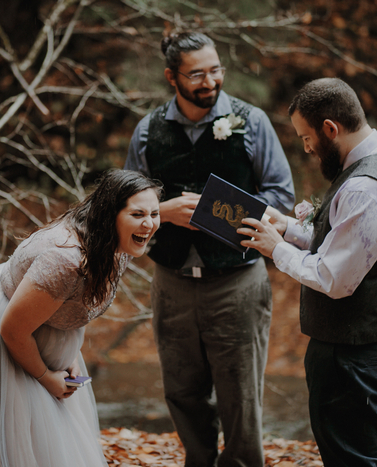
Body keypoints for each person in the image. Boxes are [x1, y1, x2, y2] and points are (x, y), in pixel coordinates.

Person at [124, 32, 295, 466]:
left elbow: (282, 196)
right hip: (172, 282)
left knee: (241, 394)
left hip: (237, 282)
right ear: (171, 77)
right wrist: (161, 212)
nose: (210, 81)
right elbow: (125, 207)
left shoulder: (252, 122)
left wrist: (228, 212)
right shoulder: (147, 132)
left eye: (215, 70)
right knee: (181, 391)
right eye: (197, 73)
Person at [0, 169, 162, 467]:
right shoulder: (66, 260)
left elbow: (71, 304)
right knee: (13, 443)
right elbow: (11, 331)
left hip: (41, 328)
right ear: (110, 214)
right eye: (138, 213)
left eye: (154, 213)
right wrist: (47, 378)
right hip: (6, 331)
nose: (149, 223)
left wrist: (69, 356)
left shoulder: (115, 243)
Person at [239, 78, 377, 467]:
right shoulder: (373, 161)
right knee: (360, 454)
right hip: (356, 345)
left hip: (353, 351)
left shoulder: (366, 188)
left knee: (353, 459)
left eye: (306, 137)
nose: (305, 148)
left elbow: (333, 278)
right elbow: (342, 243)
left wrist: (276, 248)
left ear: (331, 129)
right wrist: (287, 227)